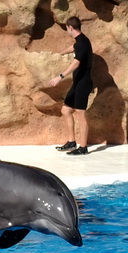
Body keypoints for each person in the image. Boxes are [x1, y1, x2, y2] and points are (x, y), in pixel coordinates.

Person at [48, 16, 93, 156]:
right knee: (66, 110)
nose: (67, 30)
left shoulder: (82, 43)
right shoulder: (81, 41)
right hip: (77, 83)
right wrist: (58, 54)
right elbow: (73, 48)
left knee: (81, 113)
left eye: (67, 28)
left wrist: (59, 77)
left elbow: (76, 62)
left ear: (70, 27)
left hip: (83, 83)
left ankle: (83, 147)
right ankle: (71, 142)